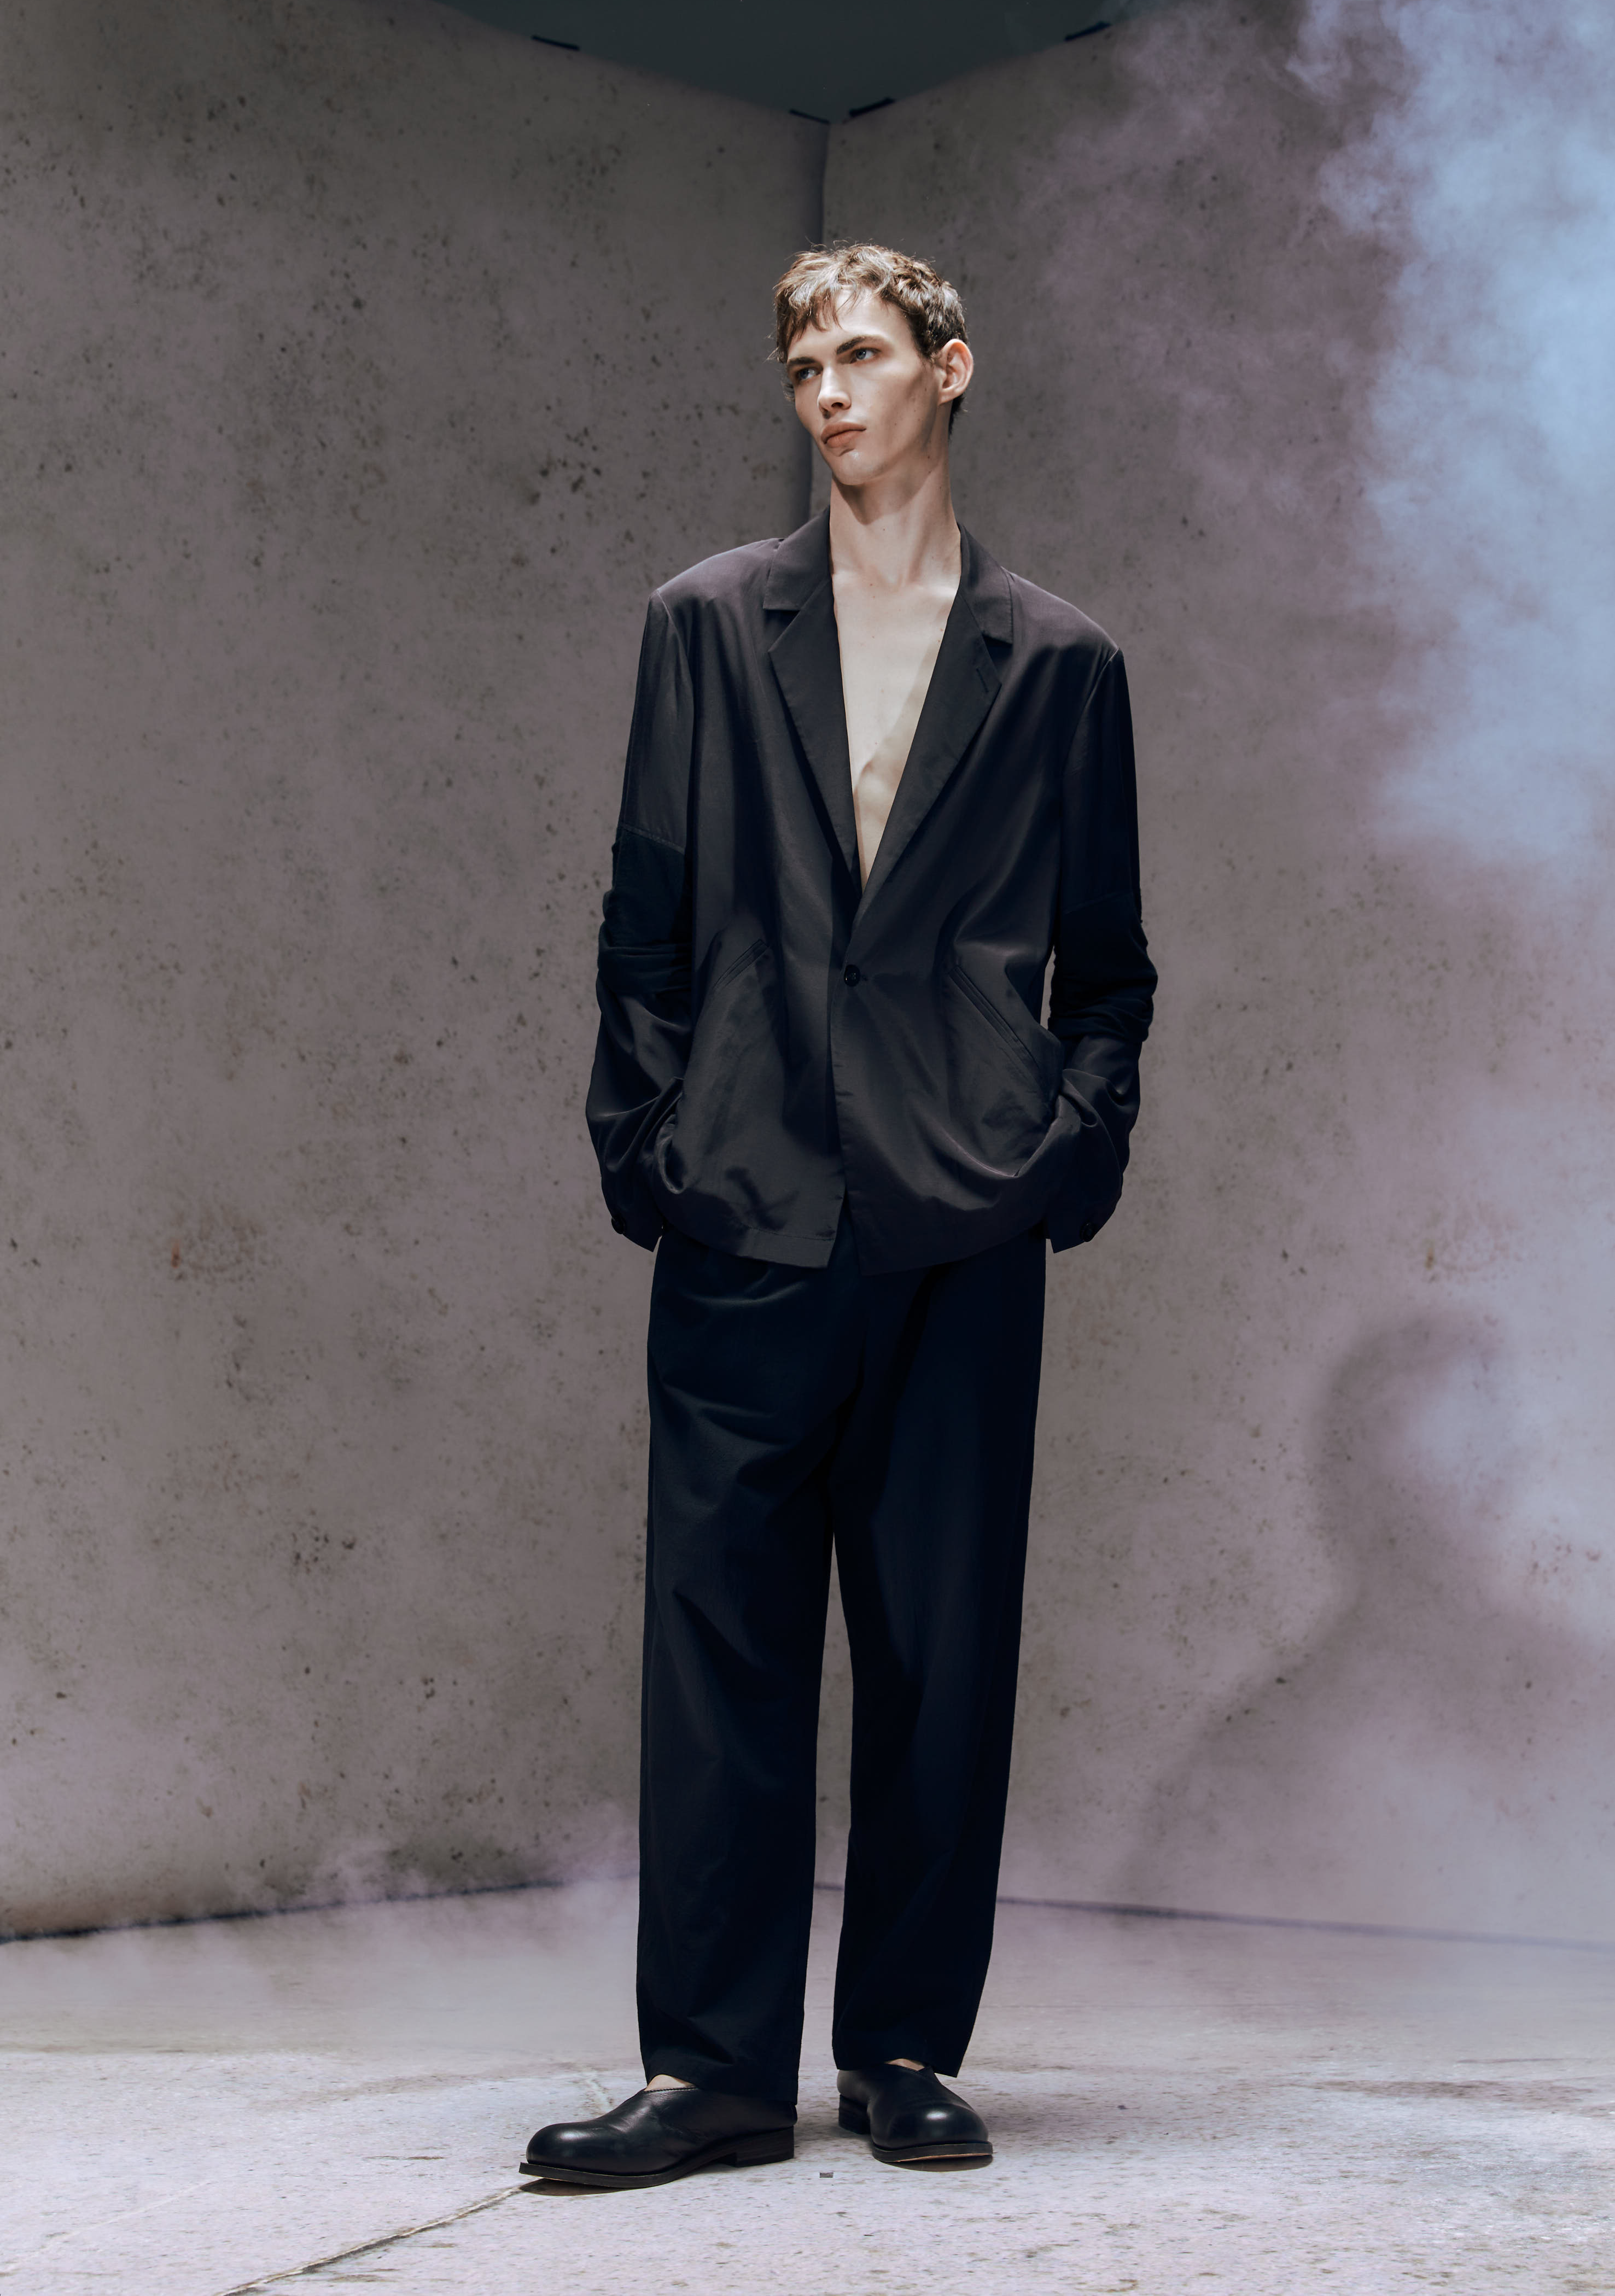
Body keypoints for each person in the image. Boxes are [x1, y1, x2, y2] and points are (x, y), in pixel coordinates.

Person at [522, 242, 1156, 2190]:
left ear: (948, 370)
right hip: (745, 1198)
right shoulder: (707, 624)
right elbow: (644, 919)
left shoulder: (1059, 662)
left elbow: (1107, 967)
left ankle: (898, 2048)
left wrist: (1061, 1158)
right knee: (714, 1642)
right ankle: (712, 2072)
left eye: (864, 354)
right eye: (804, 361)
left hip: (959, 1217)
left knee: (940, 1655)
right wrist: (647, 1145)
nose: (828, 390)